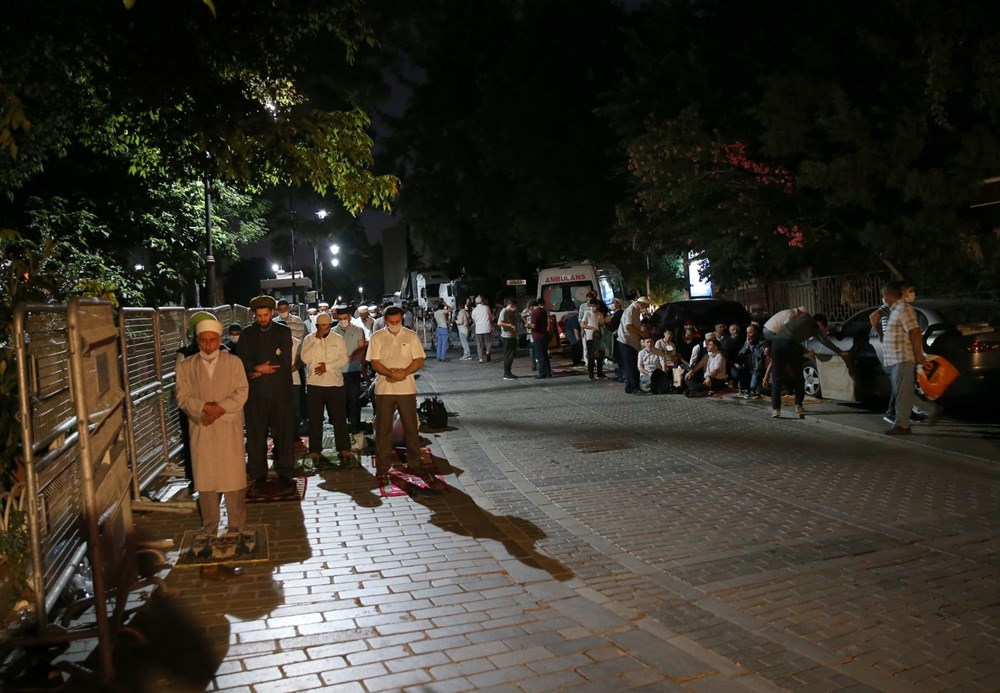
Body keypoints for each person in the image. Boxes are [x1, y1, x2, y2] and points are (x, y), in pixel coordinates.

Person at [176, 318, 249, 537]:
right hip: (202, 428)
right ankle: (210, 526)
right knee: (205, 478)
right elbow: (182, 397)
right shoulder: (186, 366)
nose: (208, 345)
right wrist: (203, 409)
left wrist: (219, 410)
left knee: (232, 477)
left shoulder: (234, 362)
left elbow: (241, 392)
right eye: (204, 341)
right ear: (198, 341)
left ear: (219, 340)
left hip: (228, 427)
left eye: (213, 340)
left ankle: (236, 525)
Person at [240, 295, 295, 488]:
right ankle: (257, 472)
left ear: (272, 313)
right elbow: (242, 361)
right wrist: (256, 368)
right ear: (255, 315)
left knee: (284, 434)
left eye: (265, 315)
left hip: (280, 393)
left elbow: (284, 361)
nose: (263, 319)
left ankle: (285, 469)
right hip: (255, 395)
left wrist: (261, 370)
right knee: (256, 435)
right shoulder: (247, 334)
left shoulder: (283, 332)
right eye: (259, 316)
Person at [366, 306, 426, 477]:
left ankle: (414, 461)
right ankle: (383, 464)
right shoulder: (377, 337)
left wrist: (404, 373)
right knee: (383, 427)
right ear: (385, 321)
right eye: (391, 322)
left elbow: (419, 360)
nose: (395, 325)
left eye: (398, 321)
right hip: (384, 388)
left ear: (402, 319)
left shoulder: (411, 336)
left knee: (411, 426)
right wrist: (391, 373)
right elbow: (375, 363)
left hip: (406, 388)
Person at [769, 309, 848, 419]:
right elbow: (823, 341)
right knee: (798, 376)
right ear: (820, 324)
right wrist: (840, 352)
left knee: (777, 377)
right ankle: (798, 405)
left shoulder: (804, 320)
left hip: (777, 342)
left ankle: (776, 409)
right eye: (825, 329)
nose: (824, 332)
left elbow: (792, 336)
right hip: (791, 345)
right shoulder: (811, 323)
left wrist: (806, 351)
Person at [869, 282, 927, 426]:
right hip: (900, 352)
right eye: (909, 291)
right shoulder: (894, 308)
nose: (912, 294)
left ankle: (900, 414)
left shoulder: (904, 308)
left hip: (902, 352)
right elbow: (874, 316)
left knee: (903, 385)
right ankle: (895, 416)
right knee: (902, 385)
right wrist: (881, 335)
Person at [300, 312, 352, 465]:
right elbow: (305, 359)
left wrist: (327, 367)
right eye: (322, 326)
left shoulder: (338, 339)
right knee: (315, 419)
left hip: (335, 384)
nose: (325, 328)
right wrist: (316, 340)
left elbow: (343, 358)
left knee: (339, 418)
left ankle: (343, 447)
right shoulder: (309, 340)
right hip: (315, 384)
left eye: (328, 325)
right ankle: (315, 449)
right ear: (316, 326)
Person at [334, 305, 368, 451]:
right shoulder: (333, 332)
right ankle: (343, 430)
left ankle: (355, 428)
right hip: (337, 372)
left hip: (353, 371)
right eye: (340, 319)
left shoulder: (357, 330)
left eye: (345, 318)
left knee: (354, 402)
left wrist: (360, 365)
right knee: (340, 403)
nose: (343, 321)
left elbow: (362, 349)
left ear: (348, 316)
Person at [617, 296, 651, 394]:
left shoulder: (636, 310)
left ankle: (629, 387)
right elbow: (628, 326)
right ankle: (634, 388)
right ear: (642, 303)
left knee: (630, 365)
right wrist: (641, 334)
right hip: (626, 341)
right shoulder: (631, 310)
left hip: (631, 341)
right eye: (646, 305)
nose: (647, 308)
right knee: (631, 366)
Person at [582, 299, 606, 380]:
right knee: (591, 355)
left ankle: (600, 373)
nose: (593, 307)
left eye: (594, 306)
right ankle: (591, 373)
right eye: (591, 306)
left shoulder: (600, 314)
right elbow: (583, 324)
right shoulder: (587, 313)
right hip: (590, 337)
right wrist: (591, 328)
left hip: (599, 337)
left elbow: (603, 324)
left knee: (600, 354)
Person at [497, 297, 521, 381]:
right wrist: (510, 325)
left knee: (512, 354)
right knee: (508, 355)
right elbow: (499, 323)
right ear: (511, 305)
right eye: (515, 306)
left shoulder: (511, 312)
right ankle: (506, 373)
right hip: (507, 336)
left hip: (512, 335)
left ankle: (509, 372)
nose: (516, 308)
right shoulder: (504, 311)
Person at [527, 299, 551, 379]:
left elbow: (534, 326)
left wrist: (527, 325)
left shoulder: (535, 312)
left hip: (538, 336)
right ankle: (548, 372)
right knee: (545, 354)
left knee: (539, 355)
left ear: (531, 306)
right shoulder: (543, 311)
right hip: (544, 334)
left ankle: (542, 373)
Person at [472, 295, 493, 363]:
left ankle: (480, 358)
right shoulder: (486, 308)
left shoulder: (474, 310)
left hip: (478, 329)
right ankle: (487, 351)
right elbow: (490, 317)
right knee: (489, 341)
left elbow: (473, 319)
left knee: (479, 344)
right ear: (482, 301)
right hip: (486, 327)